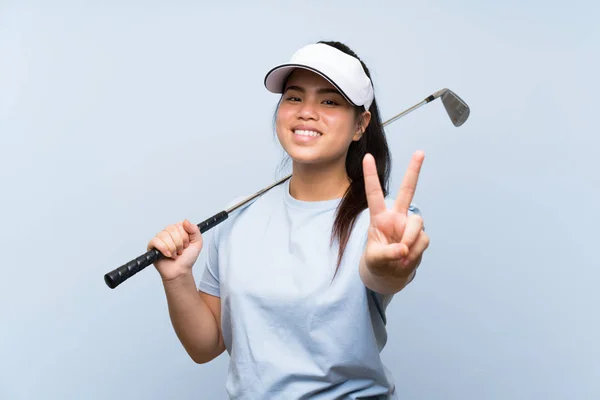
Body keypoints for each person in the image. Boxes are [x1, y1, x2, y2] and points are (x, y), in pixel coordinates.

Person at [148, 40, 430, 399]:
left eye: (329, 101)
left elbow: (386, 273)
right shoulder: (237, 216)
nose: (306, 112)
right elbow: (206, 346)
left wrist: (391, 265)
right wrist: (177, 278)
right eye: (294, 97)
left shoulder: (384, 223)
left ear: (361, 124)